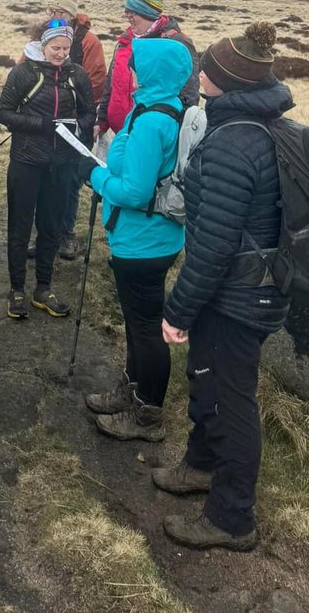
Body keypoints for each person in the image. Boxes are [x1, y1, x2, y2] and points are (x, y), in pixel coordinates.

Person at [155, 22, 292, 552]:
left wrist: (178, 309)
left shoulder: (234, 143)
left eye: (205, 67)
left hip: (239, 297)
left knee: (233, 399)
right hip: (248, 287)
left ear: (222, 80)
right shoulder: (253, 123)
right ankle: (201, 465)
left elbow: (212, 247)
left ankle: (232, 519)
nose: (198, 73)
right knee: (208, 379)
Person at [80, 37, 194, 442]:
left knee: (145, 328)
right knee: (137, 322)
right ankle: (131, 390)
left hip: (143, 242)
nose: (128, 69)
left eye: (135, 64)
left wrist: (91, 173)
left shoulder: (150, 122)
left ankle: (147, 415)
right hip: (155, 237)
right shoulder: (168, 109)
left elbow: (133, 192)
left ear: (149, 73)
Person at [0, 19, 95, 320]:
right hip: (26, 161)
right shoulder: (23, 72)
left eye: (65, 48)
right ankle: (16, 291)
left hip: (62, 164)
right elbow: (3, 113)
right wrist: (43, 125)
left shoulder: (76, 75)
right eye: (55, 47)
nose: (60, 54)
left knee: (50, 227)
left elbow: (91, 111)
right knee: (20, 226)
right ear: (43, 45)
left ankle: (43, 288)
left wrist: (78, 127)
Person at [43, 0, 106, 260]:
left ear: (72, 14)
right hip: (46, 123)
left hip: (76, 122)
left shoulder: (89, 42)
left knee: (70, 181)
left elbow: (96, 80)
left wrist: (68, 100)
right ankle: (45, 233)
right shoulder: (43, 37)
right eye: (51, 12)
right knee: (44, 180)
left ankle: (66, 235)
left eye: (61, 13)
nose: (55, 17)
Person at [96, 0, 198, 142]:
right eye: (127, 11)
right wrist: (102, 120)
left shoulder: (175, 43)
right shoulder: (125, 40)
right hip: (122, 130)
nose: (127, 16)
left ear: (147, 13)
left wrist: (177, 130)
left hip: (154, 135)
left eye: (132, 12)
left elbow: (189, 93)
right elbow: (112, 82)